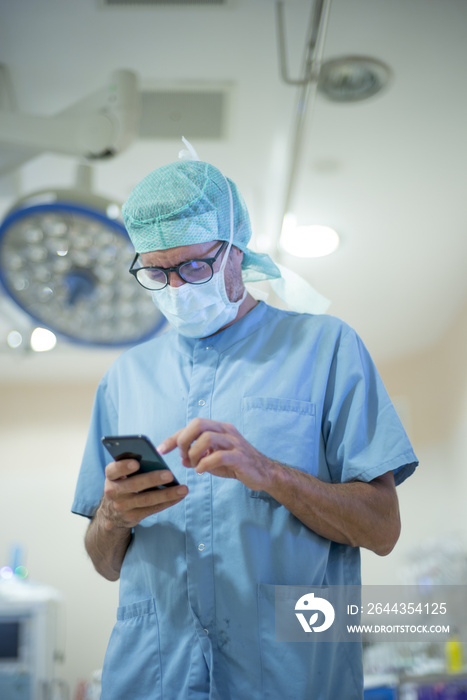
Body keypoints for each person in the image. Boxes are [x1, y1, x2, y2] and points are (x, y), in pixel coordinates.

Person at [72, 157, 418, 700]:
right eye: (157, 273)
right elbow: (104, 562)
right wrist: (113, 515)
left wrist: (268, 472)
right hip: (156, 678)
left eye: (193, 267)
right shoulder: (125, 379)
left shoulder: (325, 348)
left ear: (238, 249)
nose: (177, 288)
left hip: (291, 675)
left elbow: (383, 530)